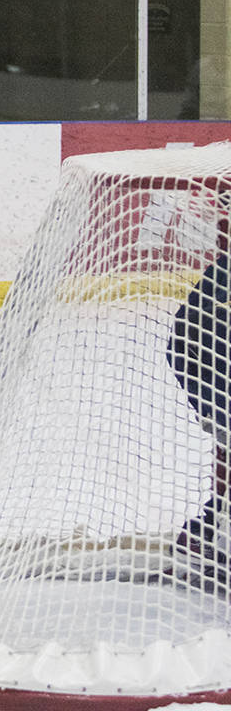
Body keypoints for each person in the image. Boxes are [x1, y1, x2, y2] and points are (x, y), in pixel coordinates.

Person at [169, 240, 230, 591]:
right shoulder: (222, 276)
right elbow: (180, 342)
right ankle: (204, 536)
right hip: (211, 382)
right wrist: (210, 408)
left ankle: (204, 534)